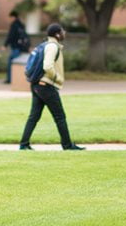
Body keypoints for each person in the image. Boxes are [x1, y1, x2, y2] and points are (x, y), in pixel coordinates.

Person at [19, 23, 85, 151]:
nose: (64, 33)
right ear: (57, 34)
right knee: (60, 116)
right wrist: (57, 78)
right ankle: (67, 146)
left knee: (34, 116)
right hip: (46, 85)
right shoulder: (52, 47)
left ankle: (24, 144)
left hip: (37, 85)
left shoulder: (44, 45)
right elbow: (47, 66)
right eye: (62, 31)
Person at [2, 10, 30, 84]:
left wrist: (5, 45)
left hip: (16, 48)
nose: (9, 19)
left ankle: (10, 79)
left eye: (10, 17)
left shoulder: (14, 25)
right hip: (21, 47)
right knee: (17, 63)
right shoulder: (21, 25)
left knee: (11, 63)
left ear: (13, 17)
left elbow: (10, 36)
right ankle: (14, 79)